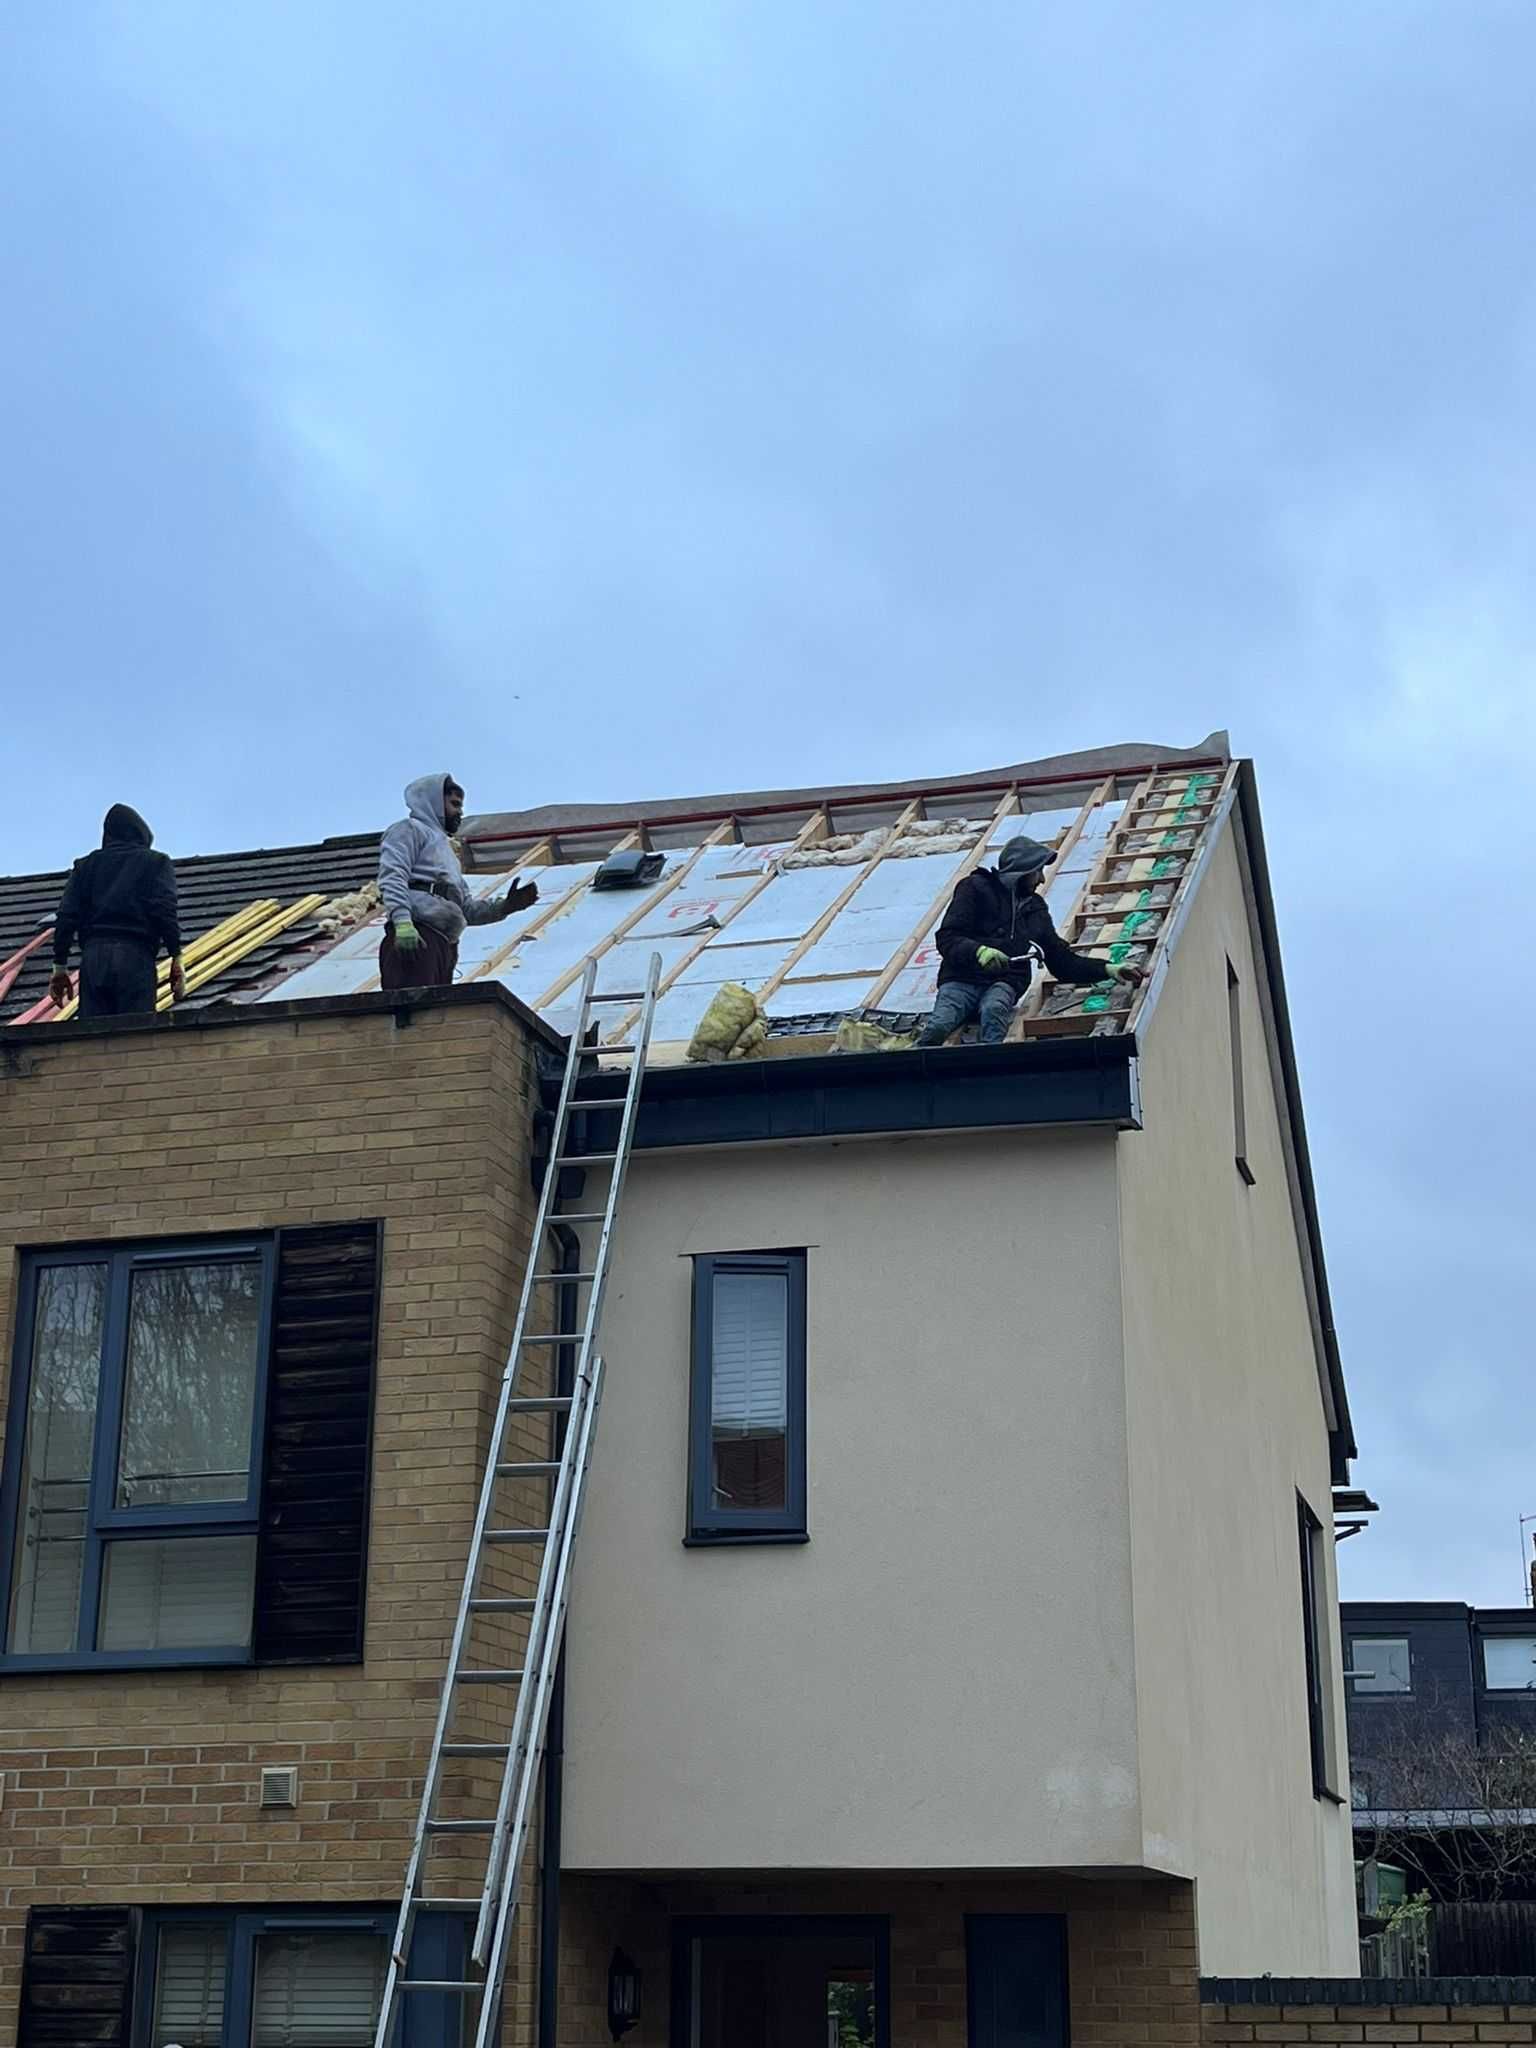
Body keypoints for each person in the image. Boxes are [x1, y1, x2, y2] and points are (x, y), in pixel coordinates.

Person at [916, 832, 1141, 1047]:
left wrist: (1109, 969)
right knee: (939, 1025)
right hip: (962, 977)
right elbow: (948, 937)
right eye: (1038, 871)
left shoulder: (1035, 909)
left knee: (994, 1011)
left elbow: (1062, 961)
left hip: (1004, 980)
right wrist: (979, 951)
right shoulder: (975, 888)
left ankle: (989, 1073)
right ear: (1021, 871)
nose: (1042, 879)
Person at [377, 772, 539, 990]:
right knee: (414, 1015)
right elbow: (393, 876)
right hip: (416, 937)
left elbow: (466, 909)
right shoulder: (410, 830)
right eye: (454, 804)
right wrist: (403, 922)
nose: (460, 812)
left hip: (444, 944)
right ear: (433, 801)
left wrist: (505, 907)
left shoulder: (447, 853)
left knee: (437, 1016)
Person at [48, 804, 185, 1020]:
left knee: (92, 1039)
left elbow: (66, 916)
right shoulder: (155, 863)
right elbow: (164, 911)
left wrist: (60, 966)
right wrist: (176, 955)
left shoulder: (86, 866)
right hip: (136, 957)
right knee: (135, 1038)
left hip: (94, 959)